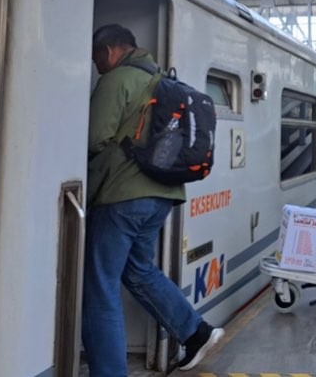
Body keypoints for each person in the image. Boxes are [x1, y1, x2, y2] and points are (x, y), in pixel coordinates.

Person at [85, 24, 223, 375]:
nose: (96, 65)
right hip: (162, 195)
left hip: (121, 197)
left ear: (109, 51)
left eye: (96, 57)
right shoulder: (160, 78)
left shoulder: (116, 80)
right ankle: (195, 332)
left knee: (100, 289)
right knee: (138, 270)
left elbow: (93, 139)